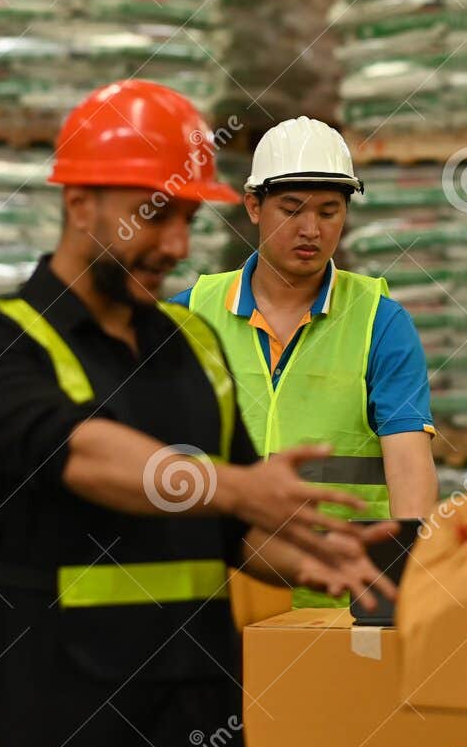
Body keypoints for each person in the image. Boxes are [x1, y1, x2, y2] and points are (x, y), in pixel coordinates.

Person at [0, 80, 395, 747]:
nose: (178, 245)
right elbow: (81, 455)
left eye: (189, 220)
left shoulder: (194, 345)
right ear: (79, 203)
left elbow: (233, 535)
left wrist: (321, 562)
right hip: (60, 725)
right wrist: (243, 487)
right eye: (155, 216)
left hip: (197, 719)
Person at [170, 116, 438, 608]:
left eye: (330, 212)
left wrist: (405, 591)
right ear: (253, 206)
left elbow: (409, 468)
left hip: (341, 605)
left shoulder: (380, 322)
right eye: (291, 210)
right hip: (215, 605)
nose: (311, 230)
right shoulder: (189, 314)